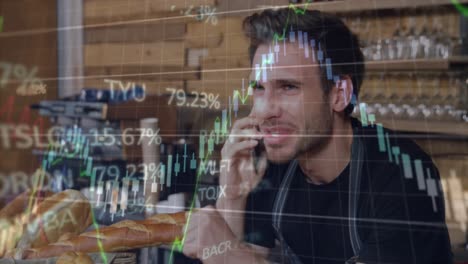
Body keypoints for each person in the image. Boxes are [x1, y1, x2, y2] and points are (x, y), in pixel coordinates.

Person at [182, 8, 452, 264]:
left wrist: (227, 252)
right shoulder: (271, 162)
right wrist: (233, 196)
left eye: (288, 87)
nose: (264, 110)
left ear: (339, 94)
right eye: (259, 88)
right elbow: (244, 256)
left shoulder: (404, 173)